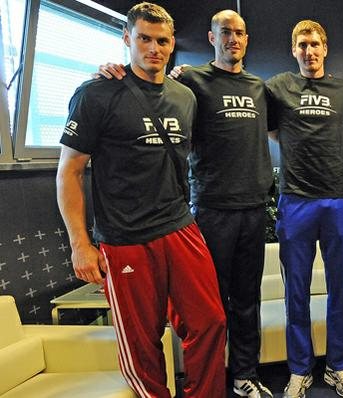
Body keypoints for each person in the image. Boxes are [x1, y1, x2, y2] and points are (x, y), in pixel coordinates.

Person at [95, 10, 274, 397]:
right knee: (206, 309)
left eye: (240, 32)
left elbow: (276, 131)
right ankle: (206, 379)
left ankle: (244, 374)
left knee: (245, 301)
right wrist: (110, 70)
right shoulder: (190, 80)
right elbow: (147, 84)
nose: (233, 39)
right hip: (207, 210)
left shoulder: (260, 87)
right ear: (211, 38)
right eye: (225, 32)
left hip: (253, 207)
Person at [55, 3, 226, 398]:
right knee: (141, 340)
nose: (154, 48)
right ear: (127, 39)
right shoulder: (96, 94)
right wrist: (80, 244)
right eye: (144, 38)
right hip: (125, 236)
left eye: (162, 40)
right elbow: (69, 171)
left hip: (179, 226)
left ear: (172, 45)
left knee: (211, 321)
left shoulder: (185, 97)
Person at [265, 20, 343, 398]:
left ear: (326, 48)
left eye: (315, 44)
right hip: (295, 201)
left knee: (341, 288)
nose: (309, 51)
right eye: (302, 45)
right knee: (297, 291)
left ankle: (339, 366)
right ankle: (300, 369)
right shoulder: (277, 88)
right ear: (294, 50)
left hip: (338, 201)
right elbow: (274, 133)